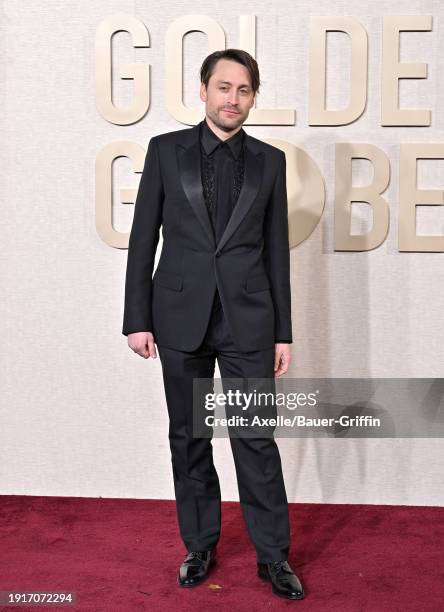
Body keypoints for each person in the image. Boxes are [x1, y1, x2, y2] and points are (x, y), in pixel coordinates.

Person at [122, 49, 304, 601]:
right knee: (190, 436)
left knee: (256, 439)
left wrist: (283, 331)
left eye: (244, 90)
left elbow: (277, 252)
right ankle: (199, 544)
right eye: (223, 87)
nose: (233, 99)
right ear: (203, 91)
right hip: (178, 317)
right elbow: (142, 238)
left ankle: (272, 556)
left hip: (248, 321)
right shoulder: (164, 151)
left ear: (254, 96)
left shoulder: (271, 162)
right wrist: (137, 318)